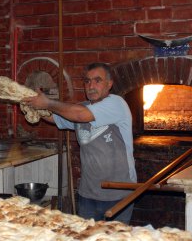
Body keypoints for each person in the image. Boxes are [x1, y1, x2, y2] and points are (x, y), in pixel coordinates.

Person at [22, 62, 137, 224]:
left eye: (98, 80)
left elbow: (81, 115)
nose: (91, 86)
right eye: (87, 81)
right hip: (88, 194)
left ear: (109, 84)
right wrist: (31, 102)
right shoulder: (81, 108)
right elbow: (53, 117)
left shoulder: (116, 103)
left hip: (118, 193)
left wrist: (47, 103)